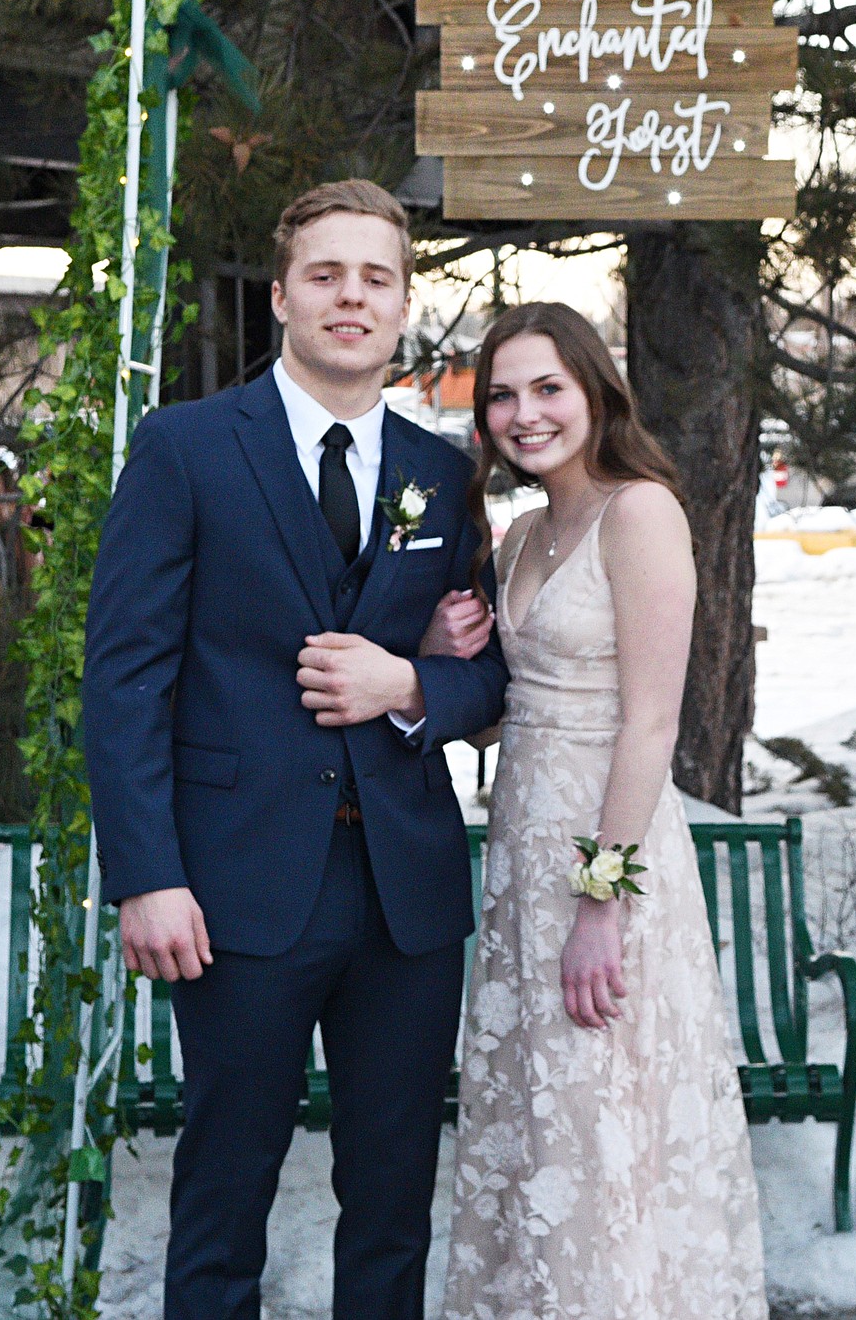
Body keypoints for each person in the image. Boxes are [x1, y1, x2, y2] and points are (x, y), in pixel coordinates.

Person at [81, 179, 508, 1320]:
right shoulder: (184, 448)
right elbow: (124, 677)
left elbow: (491, 671)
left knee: (391, 1201)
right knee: (225, 1193)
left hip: (405, 893)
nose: (351, 297)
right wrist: (147, 874)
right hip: (236, 887)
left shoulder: (440, 471)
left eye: (376, 277)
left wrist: (414, 680)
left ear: (405, 303)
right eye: (327, 274)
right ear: (283, 295)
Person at [434, 302, 768, 1318]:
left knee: (603, 1123)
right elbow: (514, 714)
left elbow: (650, 723)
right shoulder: (528, 529)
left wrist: (599, 902)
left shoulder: (641, 511)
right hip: (520, 867)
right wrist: (450, 650)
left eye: (548, 388)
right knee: (540, 1133)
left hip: (603, 863)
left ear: (594, 390)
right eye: (502, 393)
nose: (524, 413)